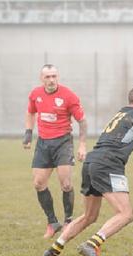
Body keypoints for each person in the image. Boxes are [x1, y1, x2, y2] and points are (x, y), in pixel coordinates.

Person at [41, 87, 133, 256]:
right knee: (126, 214)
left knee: (89, 216)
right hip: (108, 164)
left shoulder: (121, 115)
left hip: (92, 161)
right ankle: (92, 244)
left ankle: (53, 251)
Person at [23, 64, 87, 239]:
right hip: (43, 143)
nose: (51, 80)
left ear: (57, 77)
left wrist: (81, 145)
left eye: (54, 76)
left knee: (66, 184)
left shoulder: (68, 95)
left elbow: (82, 121)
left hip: (63, 142)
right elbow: (30, 113)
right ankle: (52, 222)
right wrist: (28, 134)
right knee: (38, 183)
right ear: (41, 78)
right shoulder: (35, 94)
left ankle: (68, 221)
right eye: (47, 77)